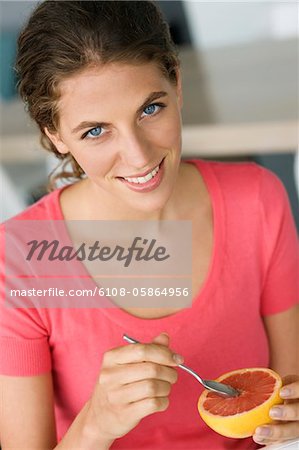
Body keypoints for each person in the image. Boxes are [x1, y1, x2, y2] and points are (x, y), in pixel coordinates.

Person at [0, 1, 298, 449]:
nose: (139, 157)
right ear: (55, 133)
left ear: (176, 84)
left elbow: (289, 391)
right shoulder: (22, 259)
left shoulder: (257, 200)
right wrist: (96, 423)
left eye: (150, 109)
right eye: (95, 131)